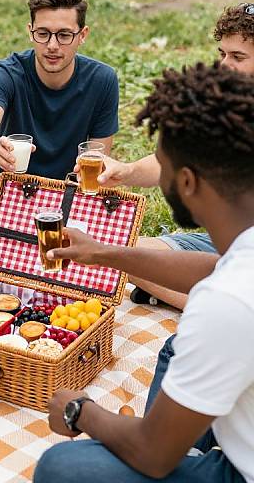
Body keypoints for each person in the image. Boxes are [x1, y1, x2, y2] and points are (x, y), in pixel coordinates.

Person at [34, 62, 254, 483]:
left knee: (63, 468)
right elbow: (217, 268)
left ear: (187, 181)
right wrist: (105, 253)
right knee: (175, 349)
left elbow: (154, 455)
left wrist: (81, 411)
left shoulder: (226, 303)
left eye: (163, 162)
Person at [88, 2, 254, 309]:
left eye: (238, 57)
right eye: (222, 54)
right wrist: (126, 171)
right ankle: (205, 299)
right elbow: (177, 159)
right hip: (225, 246)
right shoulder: (226, 104)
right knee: (120, 252)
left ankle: (210, 304)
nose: (224, 65)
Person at [0, 0, 119, 259]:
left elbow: (99, 155)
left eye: (64, 35)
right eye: (43, 34)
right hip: (7, 187)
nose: (52, 46)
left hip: (67, 194)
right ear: (30, 32)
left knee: (102, 245)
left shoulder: (102, 80)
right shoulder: (7, 73)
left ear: (82, 35)